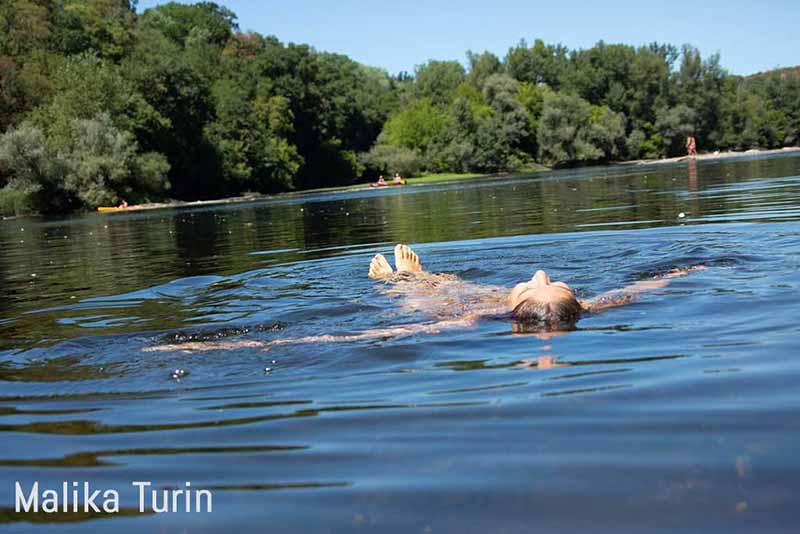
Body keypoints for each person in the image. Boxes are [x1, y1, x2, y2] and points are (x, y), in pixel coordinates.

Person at [145, 244, 705, 353]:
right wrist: (692, 266)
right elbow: (647, 285)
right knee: (455, 284)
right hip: (492, 304)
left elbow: (355, 336)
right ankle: (421, 276)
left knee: (435, 301)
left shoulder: (480, 321)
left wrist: (213, 349)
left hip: (460, 311)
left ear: (514, 308)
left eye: (533, 282)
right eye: (548, 277)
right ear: (582, 305)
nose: (538, 269)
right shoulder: (596, 308)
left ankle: (399, 284)